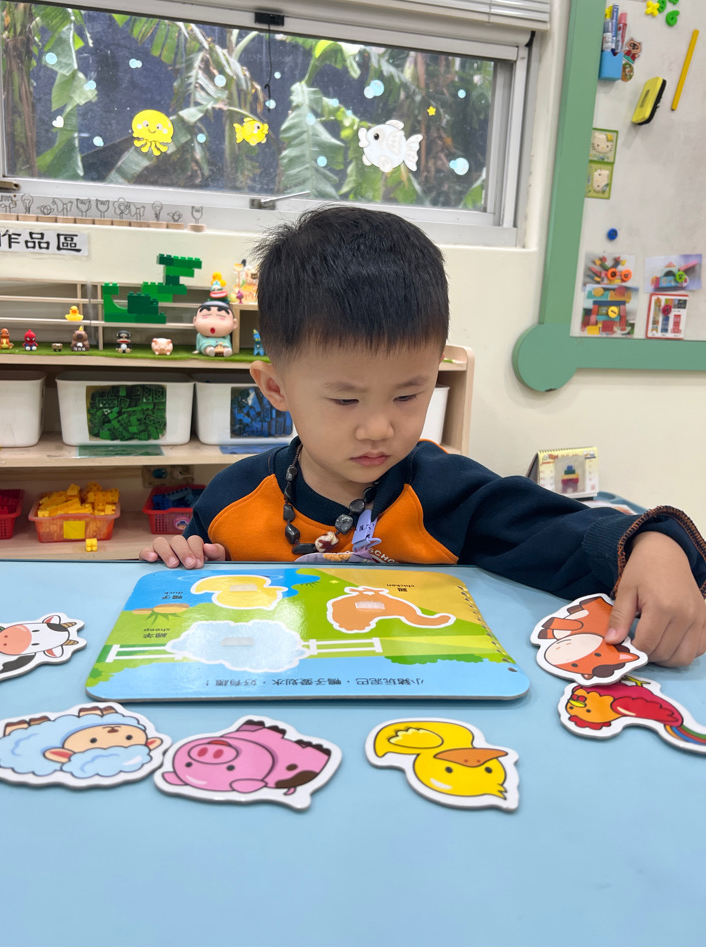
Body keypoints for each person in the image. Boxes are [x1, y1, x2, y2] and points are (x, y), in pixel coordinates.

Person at [140, 206, 706, 667]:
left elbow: (571, 537)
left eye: (409, 395)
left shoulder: (451, 494)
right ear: (275, 387)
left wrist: (656, 545)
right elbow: (194, 580)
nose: (379, 428)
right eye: (346, 400)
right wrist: (182, 554)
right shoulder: (230, 499)